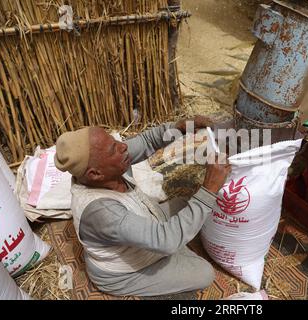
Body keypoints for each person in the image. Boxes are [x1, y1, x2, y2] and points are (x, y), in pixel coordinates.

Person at [54, 116, 231, 297]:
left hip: (142, 222)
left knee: (184, 203)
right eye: (113, 148)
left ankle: (171, 243)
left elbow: (146, 141)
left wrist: (179, 127)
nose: (123, 146)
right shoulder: (102, 213)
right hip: (124, 274)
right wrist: (209, 189)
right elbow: (166, 241)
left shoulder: (108, 164)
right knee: (203, 273)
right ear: (95, 174)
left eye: (116, 141)